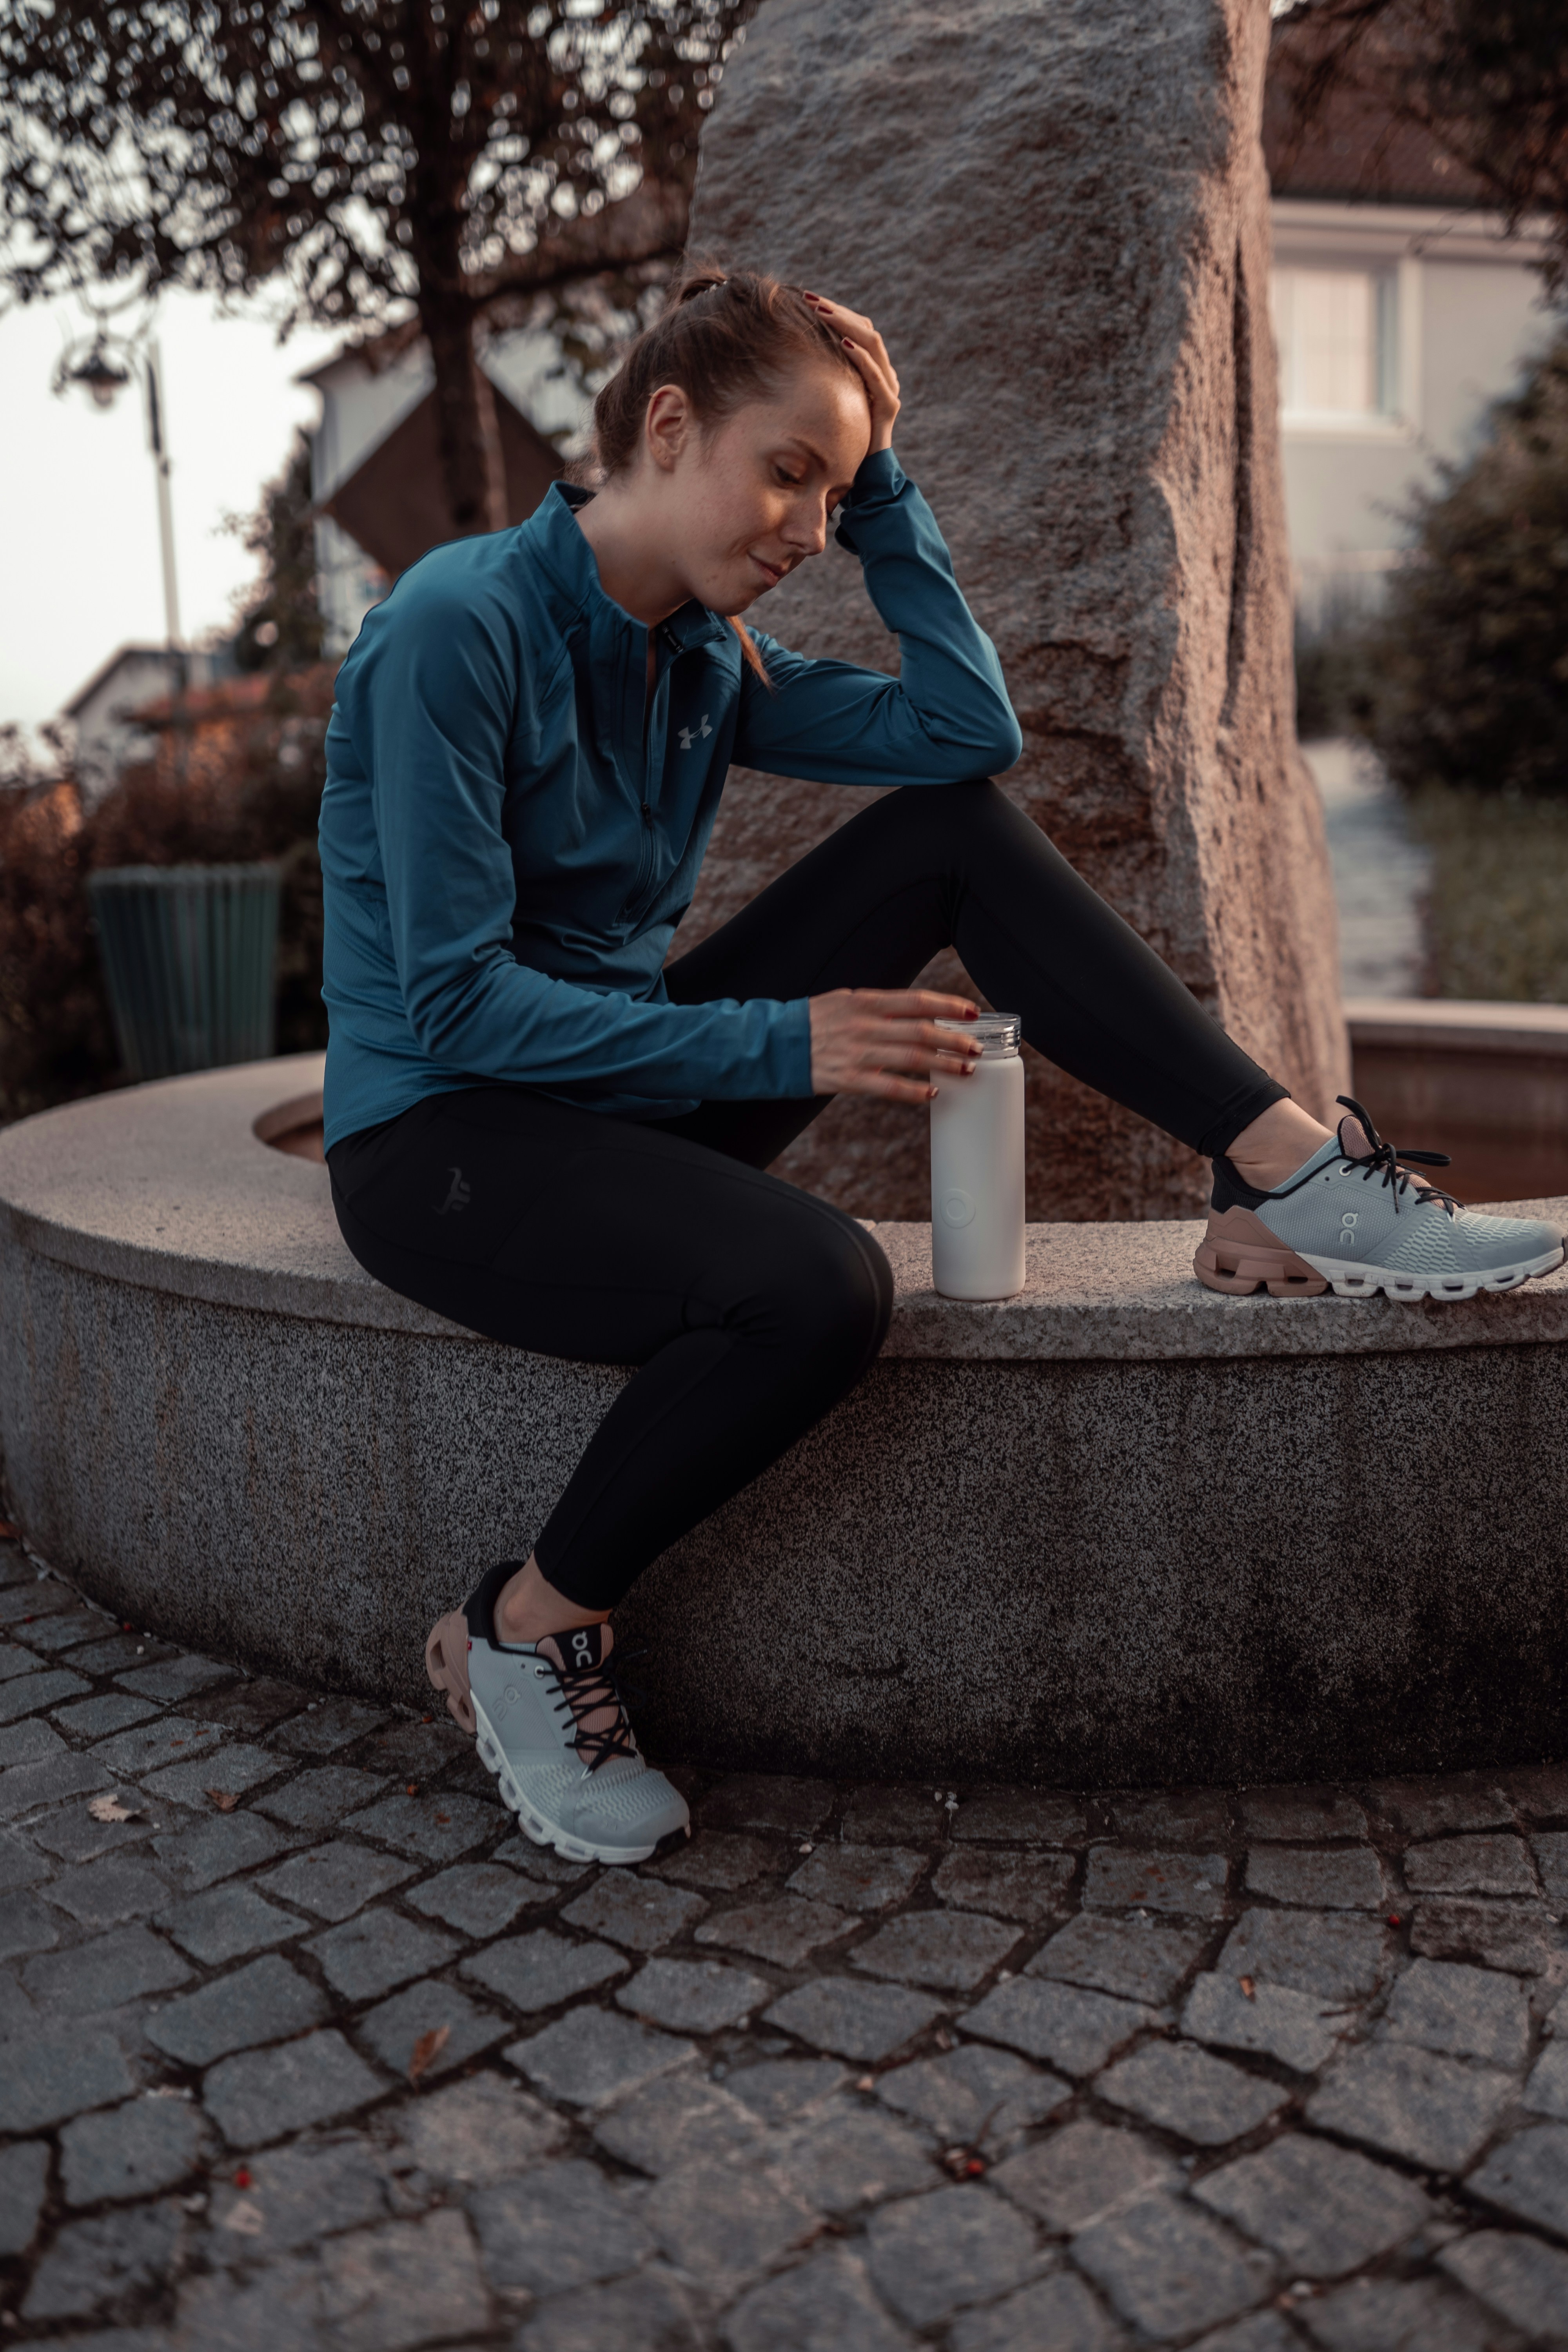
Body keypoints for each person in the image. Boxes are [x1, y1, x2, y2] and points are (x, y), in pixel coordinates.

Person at [318, 268, 1563, 1865]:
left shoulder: (703, 663)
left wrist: (885, 473)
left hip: (618, 1097)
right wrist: (788, 1038)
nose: (810, 529)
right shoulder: (456, 626)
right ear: (667, 422)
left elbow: (966, 741)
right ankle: (524, 1627)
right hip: (451, 1143)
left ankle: (1291, 1167)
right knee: (821, 1289)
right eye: (790, 472)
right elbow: (455, 1009)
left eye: (834, 496)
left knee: (950, 841)